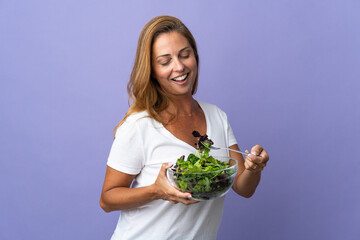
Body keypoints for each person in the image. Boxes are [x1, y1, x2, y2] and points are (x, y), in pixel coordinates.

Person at [100, 15, 269, 240]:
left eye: (185, 55)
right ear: (151, 69)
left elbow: (243, 188)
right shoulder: (139, 125)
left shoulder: (216, 116)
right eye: (165, 61)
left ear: (195, 57)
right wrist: (156, 191)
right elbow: (107, 200)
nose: (179, 67)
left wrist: (253, 168)